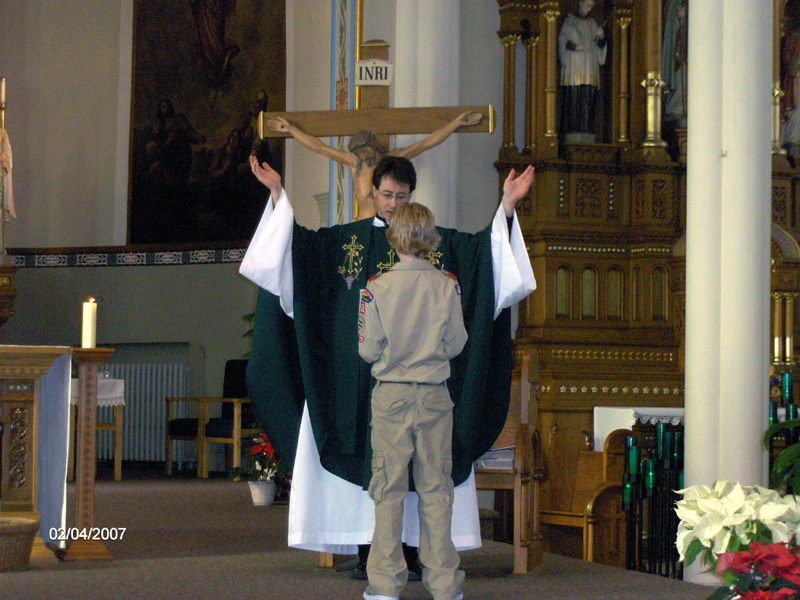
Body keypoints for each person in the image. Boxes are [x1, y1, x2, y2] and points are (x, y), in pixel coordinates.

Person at [239, 154, 535, 574]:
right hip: (354, 388)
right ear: (373, 191)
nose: (394, 203)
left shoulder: (438, 244)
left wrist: (505, 207)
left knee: (403, 474)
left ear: (412, 195)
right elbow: (295, 248)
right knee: (384, 474)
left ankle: (408, 558)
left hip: (401, 390)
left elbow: (486, 257)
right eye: (387, 194)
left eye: (402, 196)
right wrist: (277, 195)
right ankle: (372, 555)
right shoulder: (343, 242)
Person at [358, 201, 468, 600]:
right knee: (437, 490)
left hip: (391, 396)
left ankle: (385, 586)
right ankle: (444, 586)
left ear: (393, 238)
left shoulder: (377, 287)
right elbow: (456, 343)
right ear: (431, 237)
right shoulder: (446, 285)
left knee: (387, 490)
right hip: (435, 396)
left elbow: (368, 349)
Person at [266, 110, 482, 219]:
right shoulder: (355, 164)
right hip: (364, 225)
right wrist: (291, 129)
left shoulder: (391, 159)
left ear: (373, 146)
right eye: (358, 152)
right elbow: (319, 148)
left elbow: (425, 144)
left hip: (391, 225)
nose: (361, 155)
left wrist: (455, 123)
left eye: (363, 150)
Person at [558, 0, 607, 138]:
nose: (589, 9)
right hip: (574, 66)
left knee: (588, 99)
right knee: (574, 98)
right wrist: (575, 47)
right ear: (580, 3)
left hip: (589, 68)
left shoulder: (592, 23)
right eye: (587, 5)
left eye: (591, 6)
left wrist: (601, 37)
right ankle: (572, 130)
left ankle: (586, 129)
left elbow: (599, 47)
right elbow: (562, 40)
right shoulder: (569, 21)